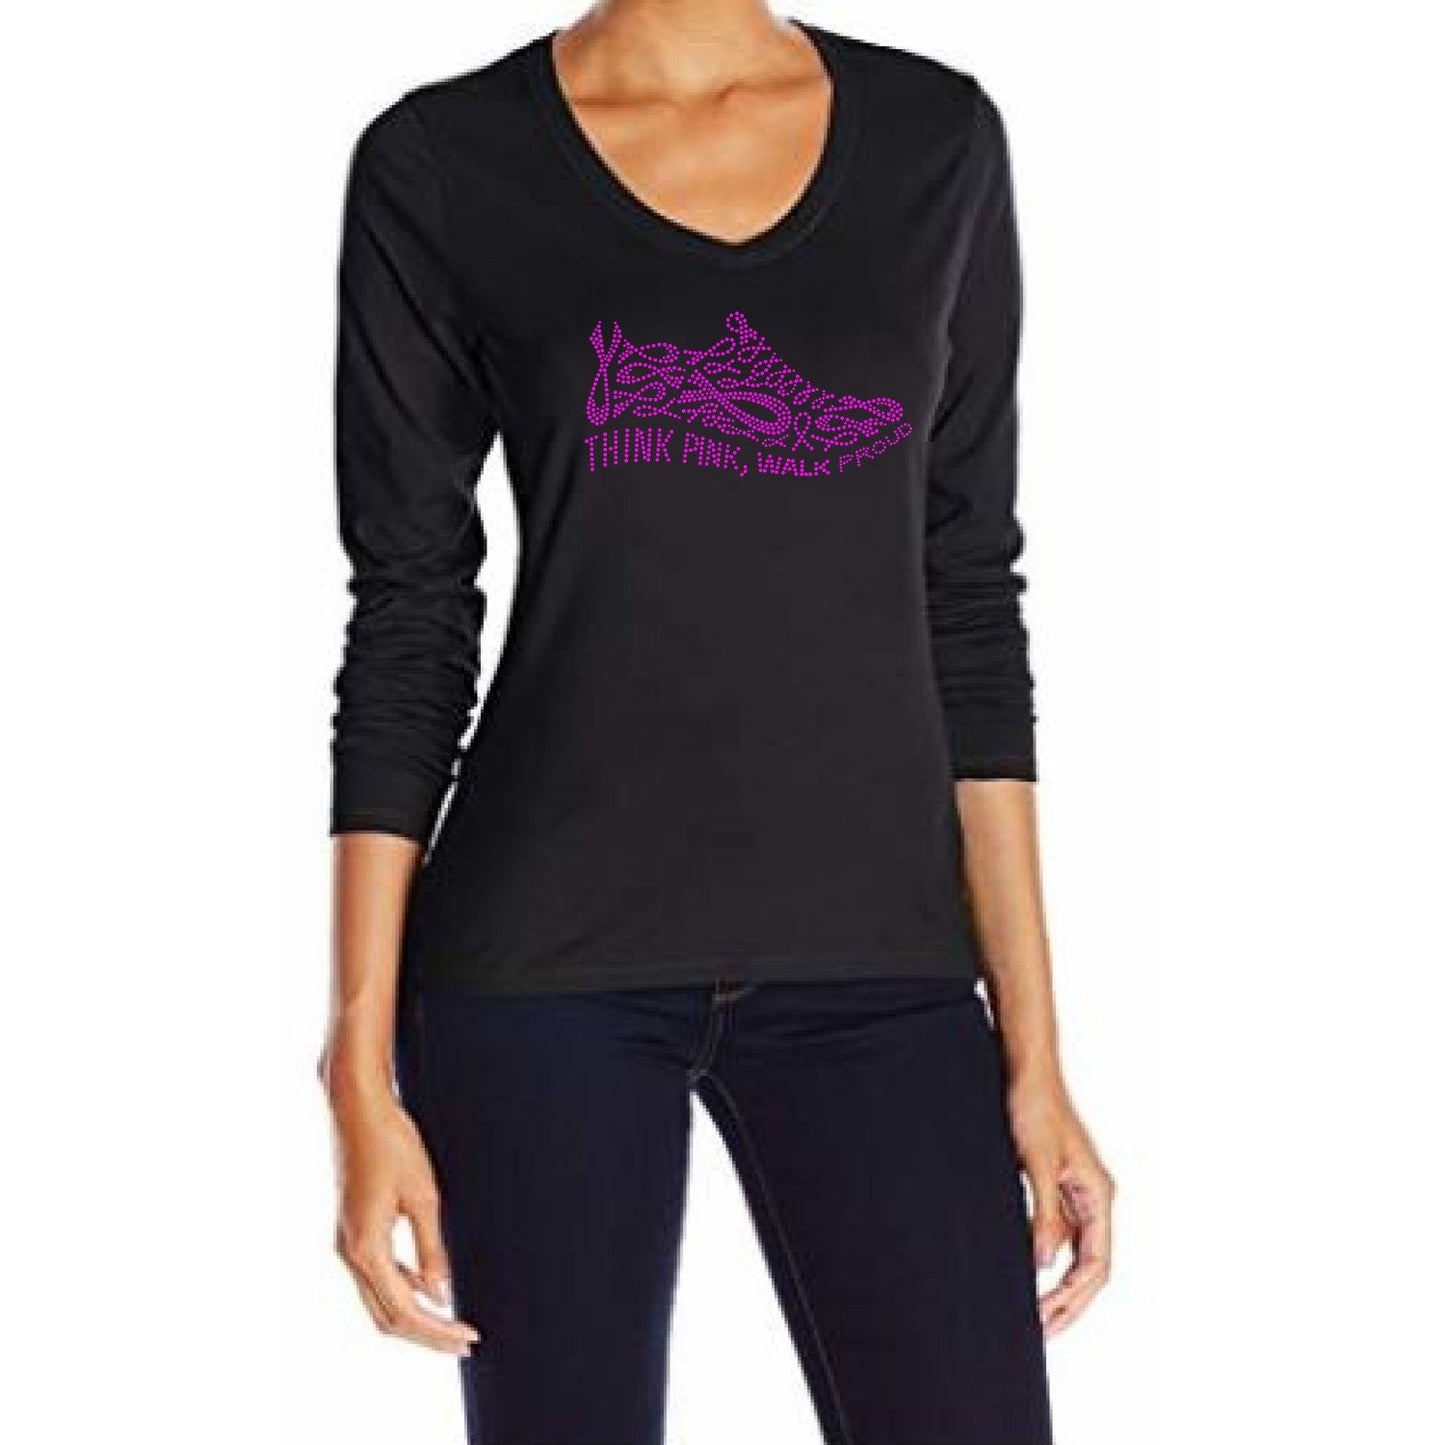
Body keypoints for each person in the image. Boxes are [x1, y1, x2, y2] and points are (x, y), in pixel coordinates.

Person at [320, 3, 1113, 1441]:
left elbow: (966, 595)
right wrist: (356, 1064)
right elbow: (409, 618)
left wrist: (1035, 1050)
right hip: (537, 970)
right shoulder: (443, 160)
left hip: (882, 963)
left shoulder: (936, 140)